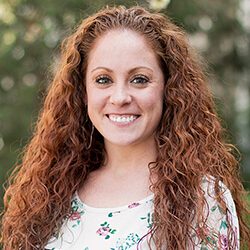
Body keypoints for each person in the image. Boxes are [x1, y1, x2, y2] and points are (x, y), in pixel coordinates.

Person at [1, 5, 249, 250]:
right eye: (103, 80)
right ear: (83, 92)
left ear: (168, 89)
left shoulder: (202, 200)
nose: (120, 97)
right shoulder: (49, 195)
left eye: (139, 79)